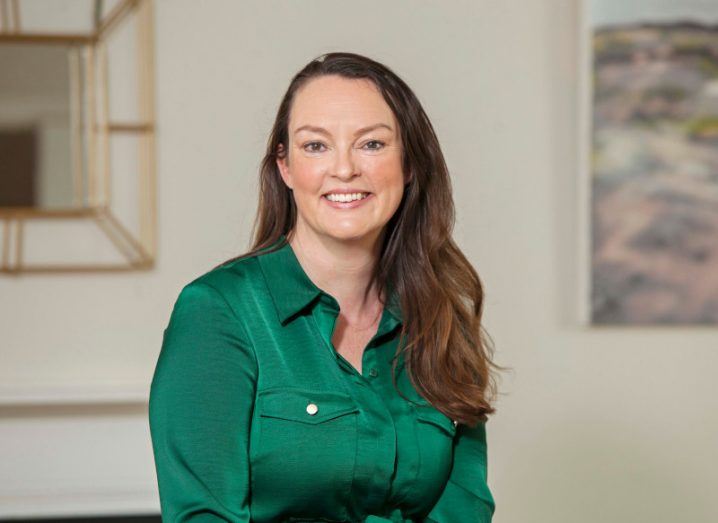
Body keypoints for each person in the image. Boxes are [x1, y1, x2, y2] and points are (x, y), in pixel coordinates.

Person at [149, 51, 503, 522]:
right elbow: (201, 516)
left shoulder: (440, 316)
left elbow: (465, 511)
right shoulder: (218, 312)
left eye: (371, 145)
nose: (344, 169)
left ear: (410, 164)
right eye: (316, 145)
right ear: (285, 167)